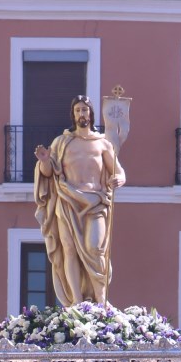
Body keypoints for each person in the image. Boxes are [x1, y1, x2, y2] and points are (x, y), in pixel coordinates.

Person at [33, 94, 125, 306]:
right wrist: (45, 161)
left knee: (95, 248)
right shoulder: (62, 142)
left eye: (84, 110)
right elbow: (48, 174)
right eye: (77, 110)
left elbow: (119, 172)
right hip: (67, 202)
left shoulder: (103, 144)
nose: (81, 114)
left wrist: (119, 179)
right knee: (69, 251)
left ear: (91, 113)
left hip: (96, 203)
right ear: (73, 115)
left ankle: (101, 302)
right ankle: (76, 302)